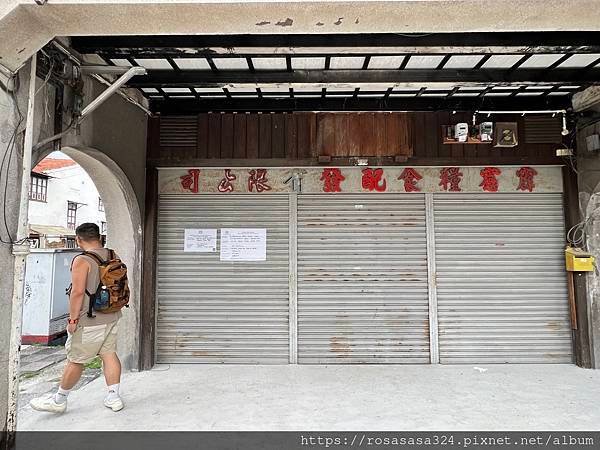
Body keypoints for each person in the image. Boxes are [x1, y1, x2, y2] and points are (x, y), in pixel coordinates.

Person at [30, 223, 124, 413]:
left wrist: (72, 320)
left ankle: (59, 400)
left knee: (76, 359)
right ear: (99, 236)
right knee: (109, 354)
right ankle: (114, 398)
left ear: (79, 239)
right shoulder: (113, 255)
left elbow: (78, 292)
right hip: (112, 314)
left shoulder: (82, 260)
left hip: (89, 320)